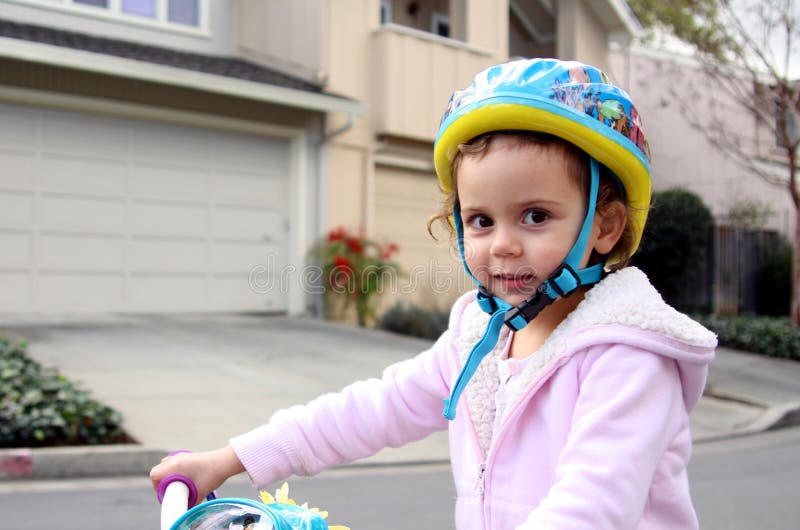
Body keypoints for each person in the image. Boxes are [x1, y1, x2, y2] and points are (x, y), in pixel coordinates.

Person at [151, 58, 717, 529]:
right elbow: (371, 410)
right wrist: (230, 458)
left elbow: (593, 504)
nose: (503, 246)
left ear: (604, 227)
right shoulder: (479, 340)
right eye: (481, 221)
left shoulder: (630, 359)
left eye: (535, 216)